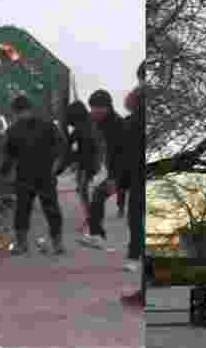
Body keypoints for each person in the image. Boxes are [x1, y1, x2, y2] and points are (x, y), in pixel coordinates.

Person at [0, 94, 66, 256]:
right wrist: (56, 167)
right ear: (30, 108)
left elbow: (9, 156)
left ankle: (22, 245)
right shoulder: (48, 125)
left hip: (25, 176)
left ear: (15, 111)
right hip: (45, 174)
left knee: (22, 210)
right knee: (51, 209)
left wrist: (4, 174)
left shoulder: (13, 130)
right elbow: (62, 146)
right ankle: (58, 244)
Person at [77, 89, 130, 251]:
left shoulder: (116, 125)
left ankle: (98, 236)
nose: (93, 111)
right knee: (98, 196)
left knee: (99, 195)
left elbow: (120, 153)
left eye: (96, 108)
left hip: (128, 167)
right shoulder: (102, 122)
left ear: (106, 107)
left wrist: (114, 178)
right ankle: (97, 235)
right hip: (119, 168)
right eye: (91, 107)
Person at [119, 62, 147, 308]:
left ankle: (144, 293)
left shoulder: (138, 111)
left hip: (140, 181)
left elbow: (130, 152)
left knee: (140, 228)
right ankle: (144, 291)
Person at [54, 101, 101, 228]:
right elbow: (71, 145)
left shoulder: (82, 128)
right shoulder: (86, 125)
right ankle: (91, 217)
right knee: (82, 190)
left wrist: (60, 169)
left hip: (87, 163)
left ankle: (92, 218)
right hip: (88, 163)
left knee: (82, 190)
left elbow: (73, 150)